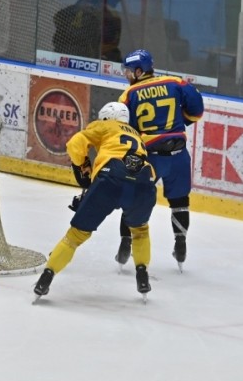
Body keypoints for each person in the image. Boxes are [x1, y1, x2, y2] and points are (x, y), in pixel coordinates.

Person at [33, 102, 157, 300]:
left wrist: (82, 165)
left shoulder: (104, 125)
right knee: (140, 231)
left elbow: (75, 144)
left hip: (111, 179)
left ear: (107, 117)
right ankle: (142, 275)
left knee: (75, 236)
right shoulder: (136, 135)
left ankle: (46, 278)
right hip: (144, 182)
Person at [118, 49, 204, 270]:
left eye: (129, 70)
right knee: (180, 202)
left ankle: (125, 243)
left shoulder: (129, 94)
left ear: (139, 71)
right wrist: (178, 123)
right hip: (178, 156)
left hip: (149, 158)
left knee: (133, 199)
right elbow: (196, 110)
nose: (126, 74)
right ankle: (180, 243)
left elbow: (125, 130)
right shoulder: (175, 83)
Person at [52, 0, 123, 62]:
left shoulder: (80, 6)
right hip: (83, 61)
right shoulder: (108, 17)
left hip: (63, 58)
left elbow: (57, 18)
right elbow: (107, 44)